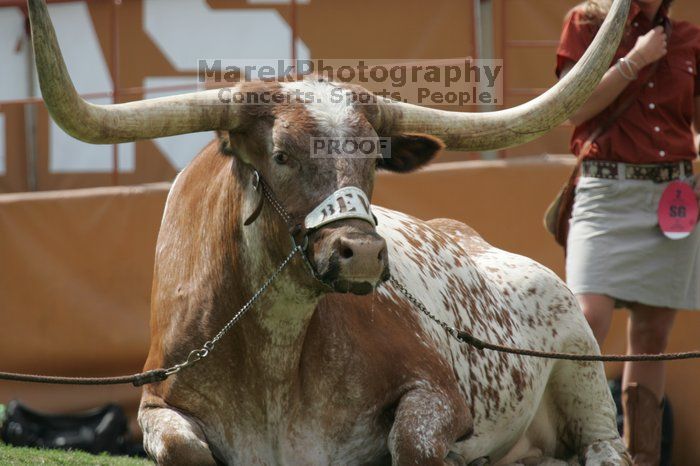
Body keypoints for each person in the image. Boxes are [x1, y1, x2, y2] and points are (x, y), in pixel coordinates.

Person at [556, 1, 700, 464]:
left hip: (673, 197)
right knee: (587, 319)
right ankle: (569, 448)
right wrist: (634, 61)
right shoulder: (586, 23)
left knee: (653, 337)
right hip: (606, 191)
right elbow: (569, 109)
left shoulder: (689, 37)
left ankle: (642, 459)